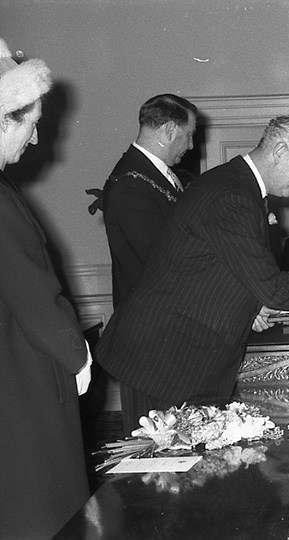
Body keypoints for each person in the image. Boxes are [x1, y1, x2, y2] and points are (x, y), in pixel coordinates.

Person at [96, 115, 289, 434]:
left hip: (178, 357)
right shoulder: (232, 195)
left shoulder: (238, 187)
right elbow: (272, 286)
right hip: (163, 362)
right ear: (281, 151)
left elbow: (221, 268)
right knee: (163, 473)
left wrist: (251, 305)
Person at [0, 38, 93, 540]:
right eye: (31, 125)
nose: (35, 141)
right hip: (19, 385)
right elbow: (32, 293)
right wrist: (76, 355)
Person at [102, 94, 197, 307]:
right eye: (189, 135)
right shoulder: (131, 185)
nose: (191, 145)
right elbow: (164, 260)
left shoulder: (153, 176)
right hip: (152, 318)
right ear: (170, 130)